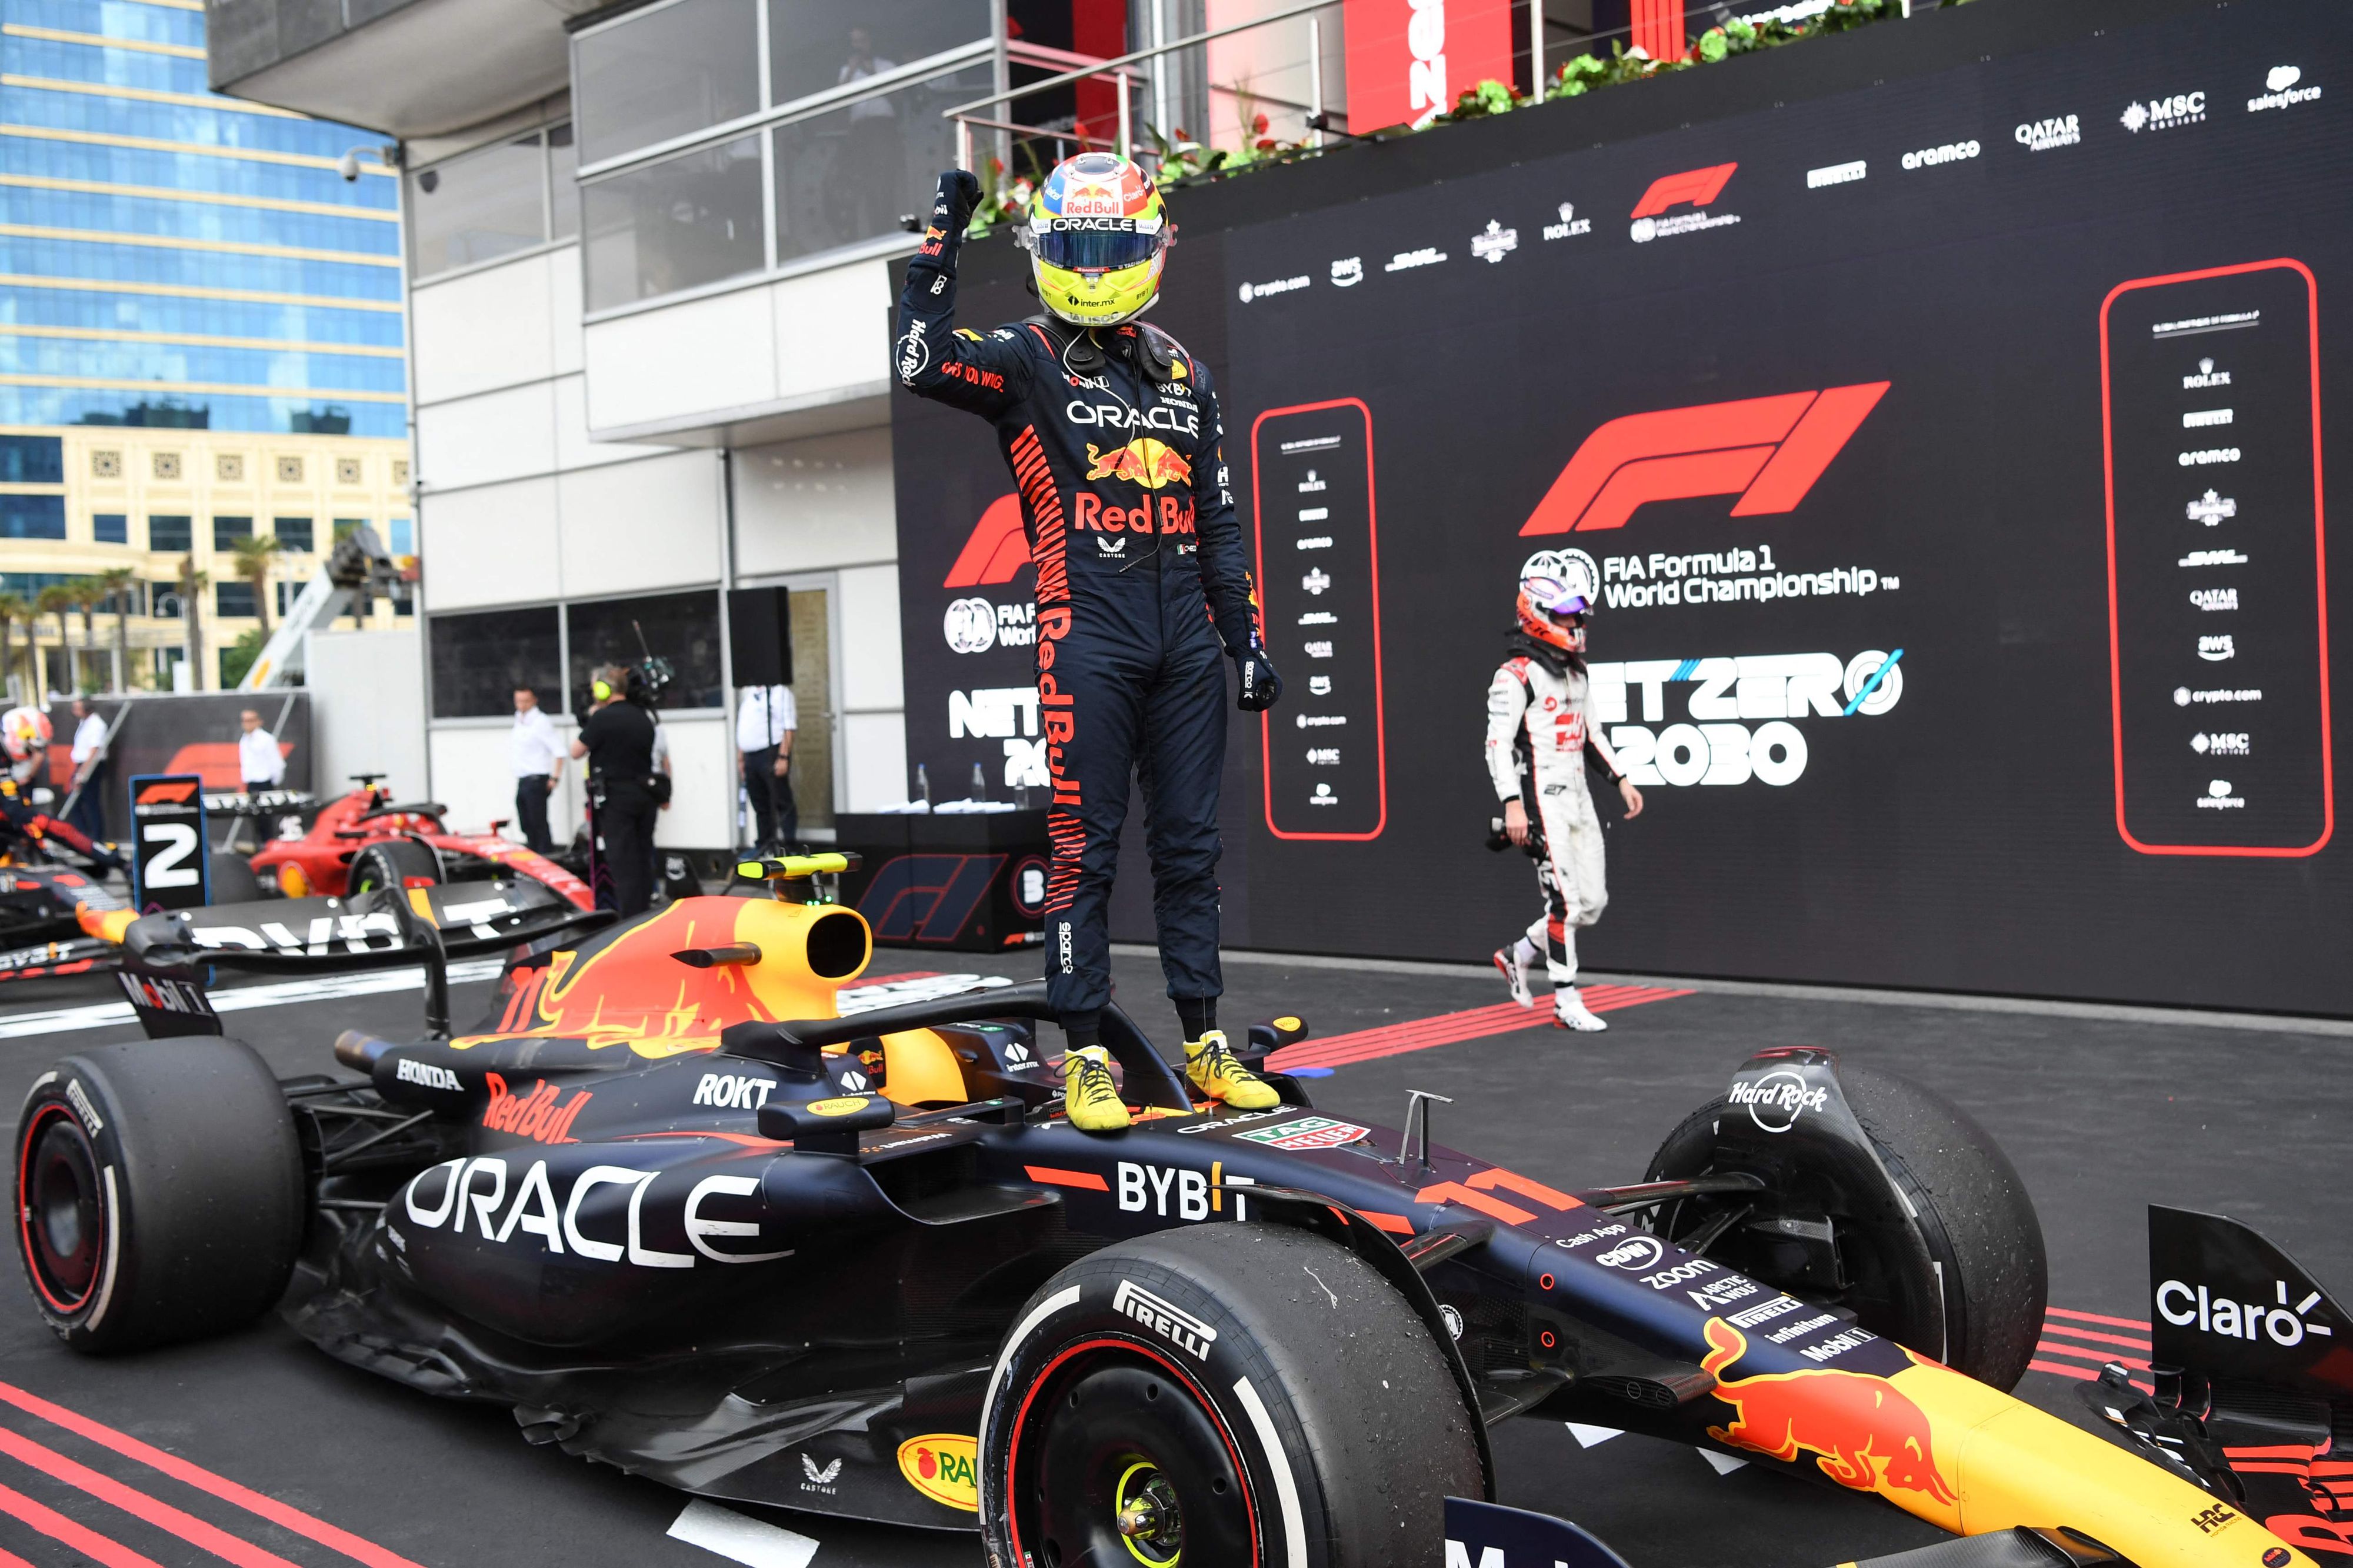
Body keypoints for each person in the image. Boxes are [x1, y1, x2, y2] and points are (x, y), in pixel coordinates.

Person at [896, 154, 1284, 1132]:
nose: (1099, 267)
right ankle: (1087, 1059)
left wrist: (1242, 637)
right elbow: (922, 361)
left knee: (1192, 853)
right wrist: (941, 241)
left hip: (1187, 647)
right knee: (1084, 855)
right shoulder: (1025, 358)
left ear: (1150, 248)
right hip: (1088, 635)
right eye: (1080, 249)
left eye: (1115, 247)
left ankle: (1203, 1043)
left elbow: (1220, 520)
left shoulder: (1186, 371)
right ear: (1045, 255)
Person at [1487, 556, 1644, 1032]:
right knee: (1566, 905)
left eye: (1577, 615)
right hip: (1541, 801)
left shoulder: (1578, 673)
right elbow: (1496, 745)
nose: (1575, 624)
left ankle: (1520, 953)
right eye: (1565, 615)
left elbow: (1592, 734)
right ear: (1538, 613)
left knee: (1591, 903)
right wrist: (1512, 804)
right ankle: (1566, 1000)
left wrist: (1620, 779)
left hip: (1579, 795)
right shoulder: (1514, 676)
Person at [569, 665, 660, 918]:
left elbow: (576, 751)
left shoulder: (602, 718)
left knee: (623, 860)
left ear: (604, 689)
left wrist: (594, 716)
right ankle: (646, 915)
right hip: (645, 794)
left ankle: (630, 919)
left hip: (617, 798)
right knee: (643, 857)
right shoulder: (643, 717)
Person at [737, 682, 798, 853]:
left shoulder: (780, 692)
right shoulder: (748, 692)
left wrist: (783, 757)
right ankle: (763, 844)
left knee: (781, 800)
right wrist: (741, 758)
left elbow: (789, 727)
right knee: (760, 803)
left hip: (771, 752)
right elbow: (745, 725)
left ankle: (789, 845)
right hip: (751, 756)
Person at [508, 688, 563, 853]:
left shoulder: (541, 722)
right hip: (523, 779)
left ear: (534, 701)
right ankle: (534, 852)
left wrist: (555, 778)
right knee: (525, 822)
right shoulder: (519, 720)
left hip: (537, 779)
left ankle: (545, 854)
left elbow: (559, 751)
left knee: (538, 821)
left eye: (526, 701)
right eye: (518, 701)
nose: (522, 705)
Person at [65, 698, 106, 842]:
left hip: (90, 766)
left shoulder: (97, 725)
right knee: (75, 802)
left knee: (91, 802)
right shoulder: (84, 723)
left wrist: (82, 774)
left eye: (77, 708)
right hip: (81, 765)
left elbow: (94, 751)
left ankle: (95, 837)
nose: (74, 711)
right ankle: (83, 835)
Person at [238, 709, 285, 793]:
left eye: (251, 720)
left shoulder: (267, 739)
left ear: (259, 721)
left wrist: (274, 782)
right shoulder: (244, 739)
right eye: (245, 721)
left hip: (265, 783)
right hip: (250, 783)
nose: (247, 724)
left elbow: (277, 762)